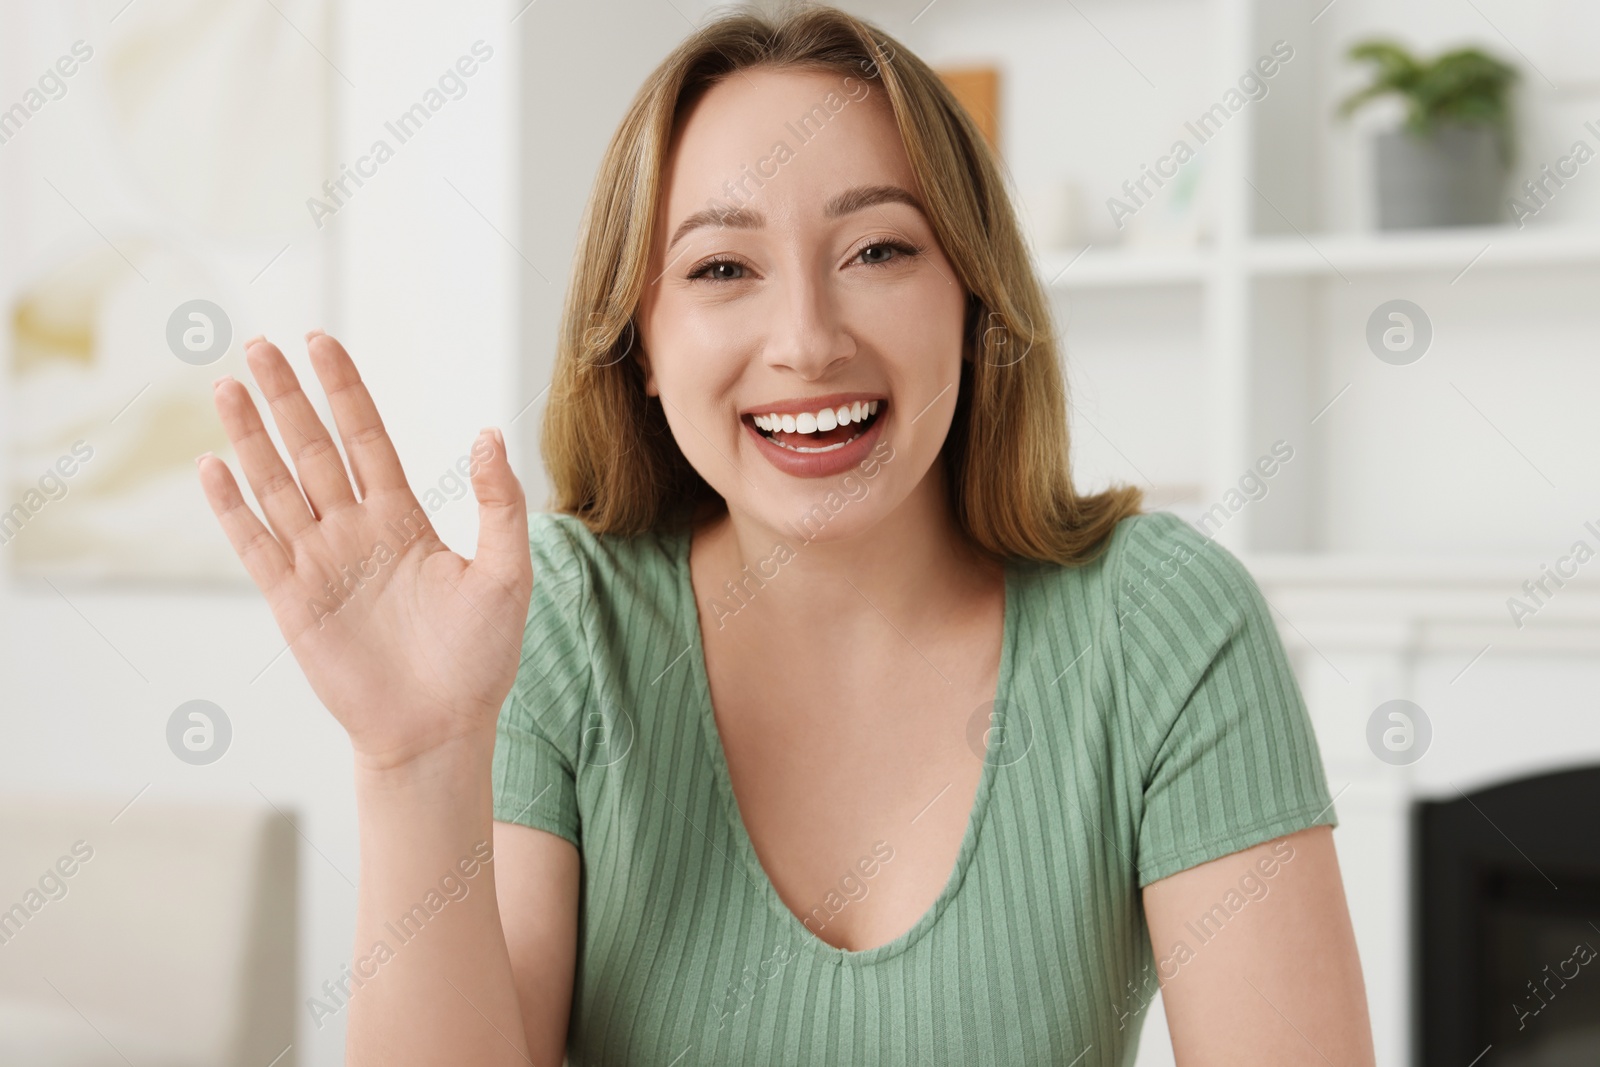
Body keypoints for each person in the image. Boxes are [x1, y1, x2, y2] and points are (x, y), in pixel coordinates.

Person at [197, 5, 1375, 1064]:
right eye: (721, 266)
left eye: (879, 250)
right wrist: (416, 761)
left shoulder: (1161, 620)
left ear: (970, 300)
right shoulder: (563, 622)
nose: (807, 340)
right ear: (641, 347)